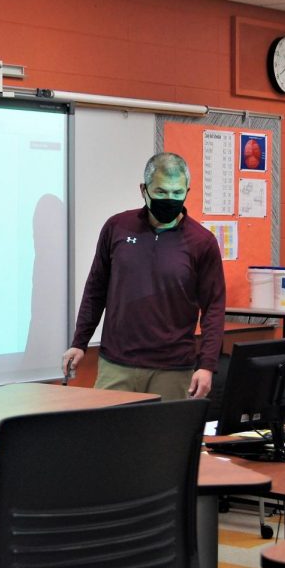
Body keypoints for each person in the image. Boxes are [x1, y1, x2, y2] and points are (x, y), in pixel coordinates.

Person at [63, 152, 226, 400]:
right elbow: (96, 289)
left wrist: (207, 365)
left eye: (176, 192)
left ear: (187, 191)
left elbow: (214, 307)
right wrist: (79, 342)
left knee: (167, 439)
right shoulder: (117, 227)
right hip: (117, 364)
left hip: (173, 368)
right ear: (144, 190)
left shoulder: (202, 242)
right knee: (108, 436)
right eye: (161, 192)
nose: (169, 198)